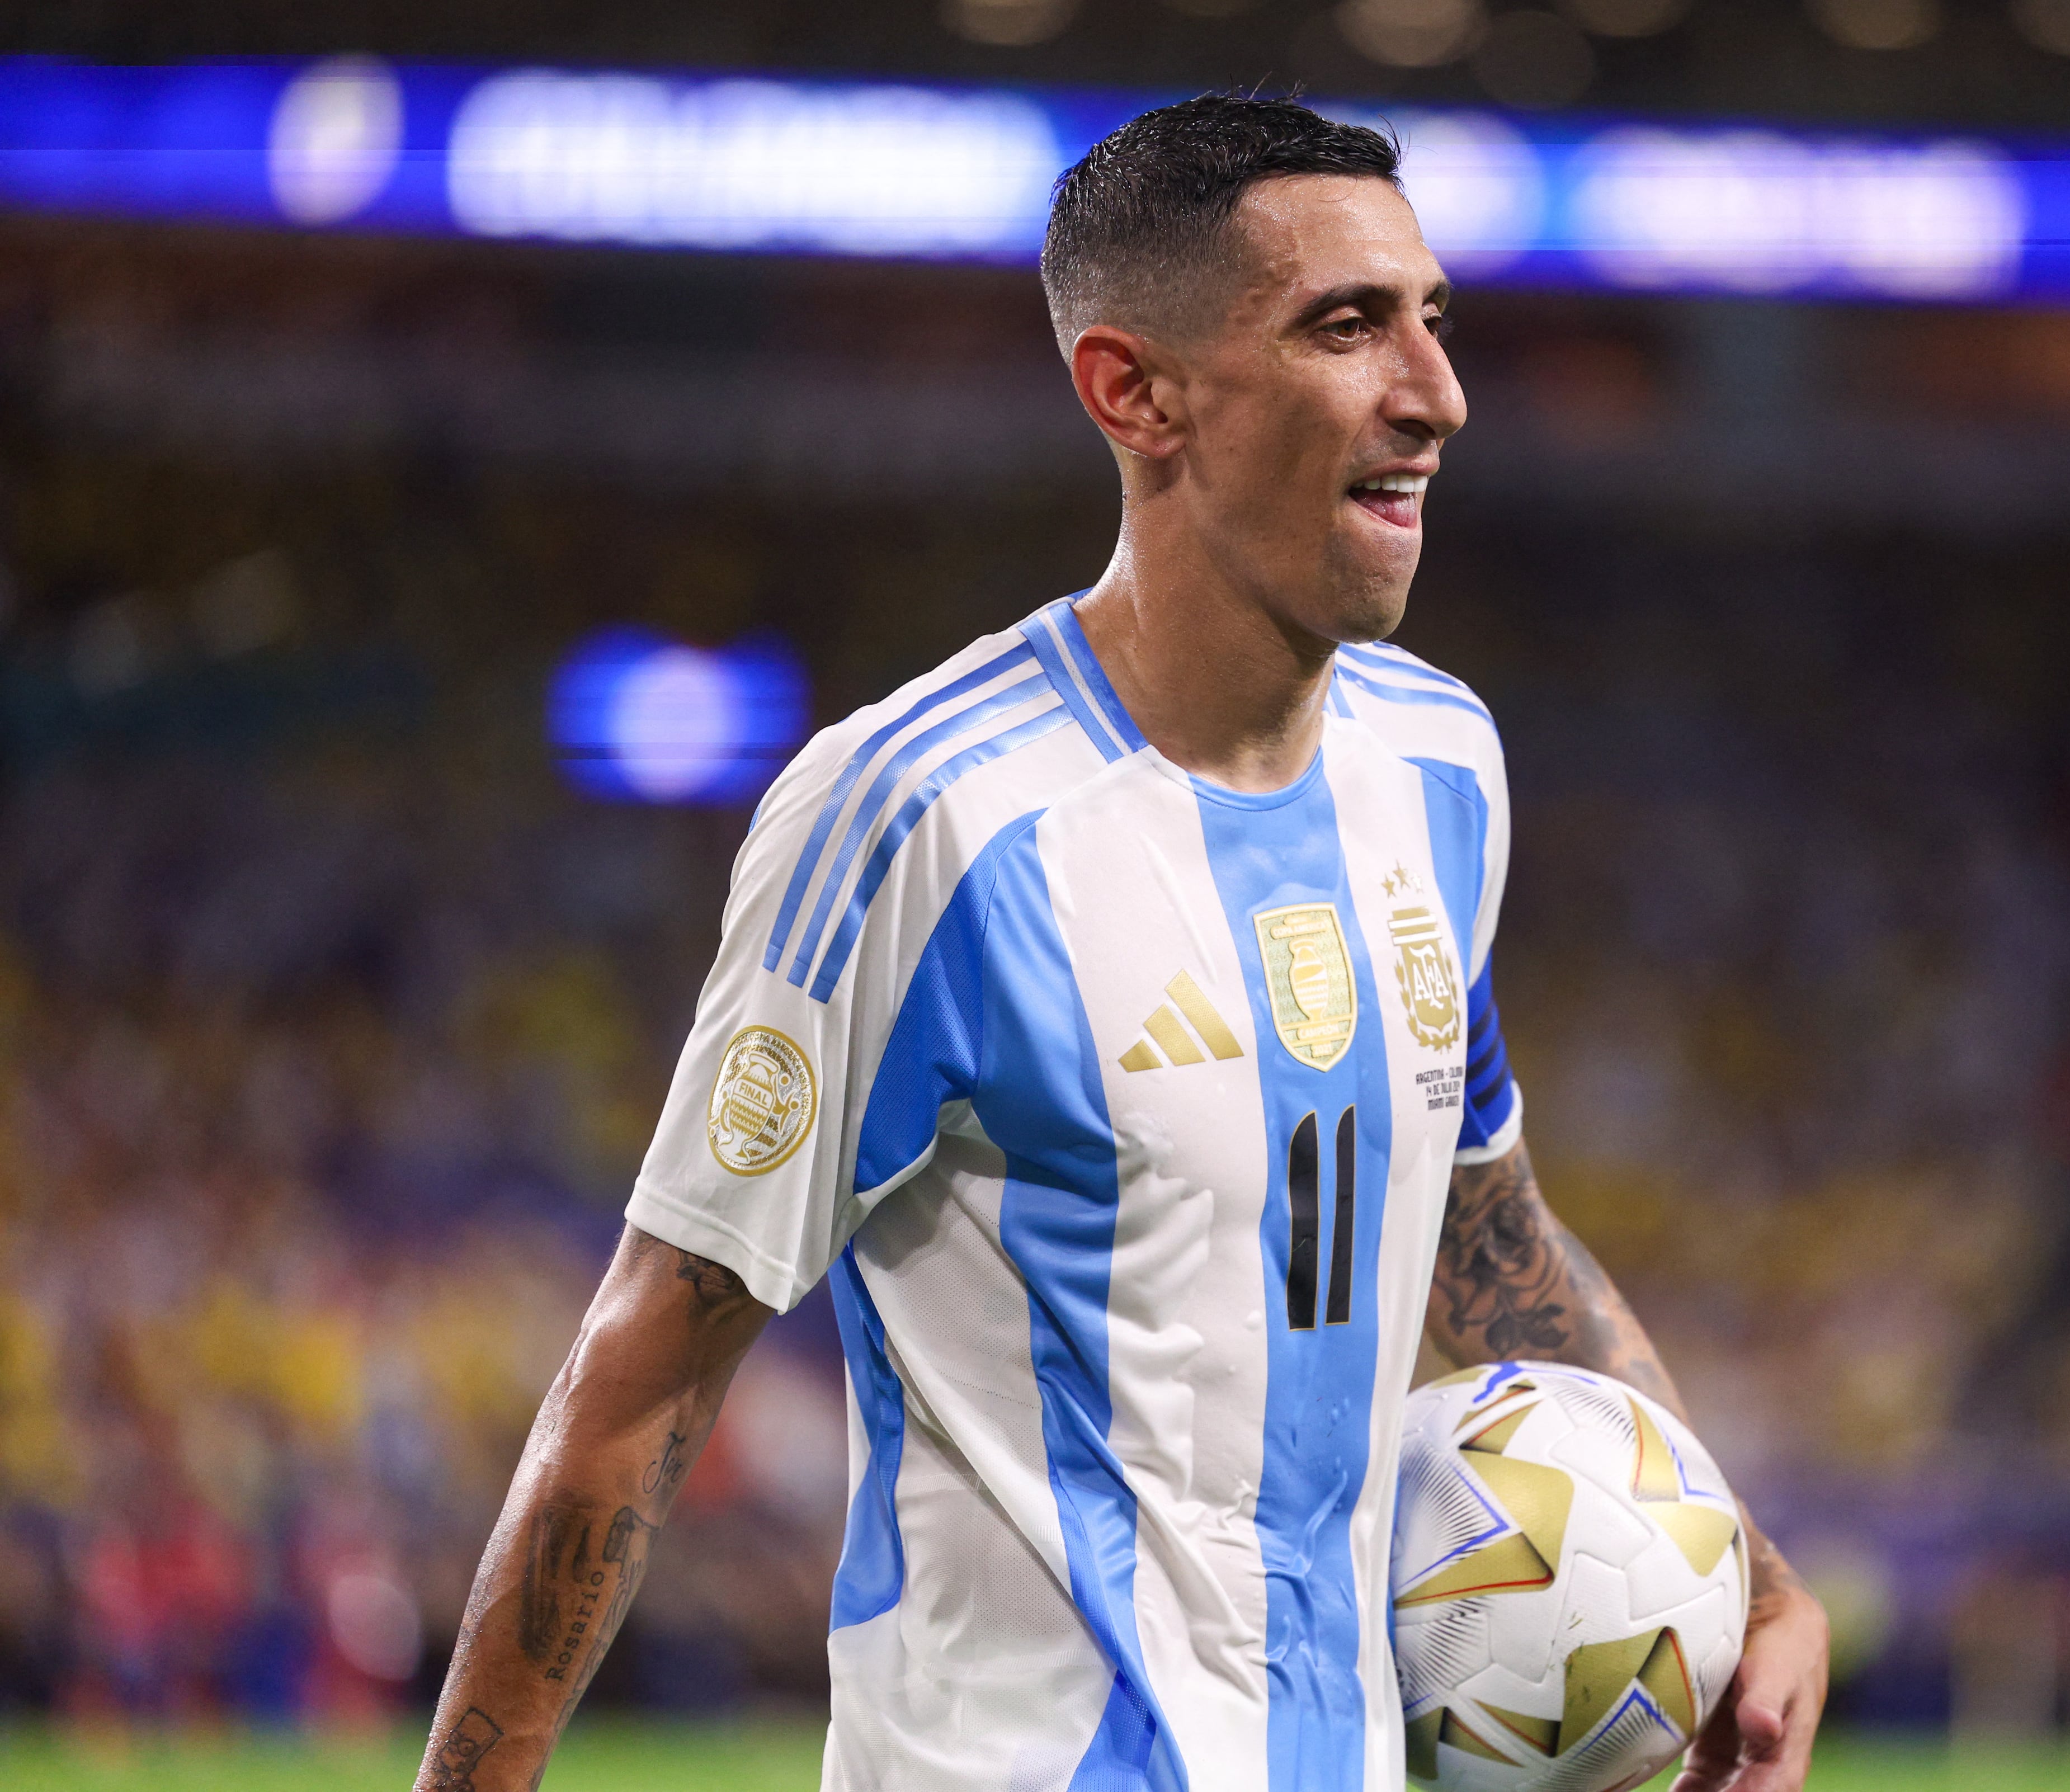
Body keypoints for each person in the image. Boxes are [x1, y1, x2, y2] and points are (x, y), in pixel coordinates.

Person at [413, 93, 1828, 1792]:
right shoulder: (920, 815)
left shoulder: (1444, 768)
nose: (1437, 394)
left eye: (1432, 320)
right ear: (1131, 391)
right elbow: (645, 1370)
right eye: (1345, 326)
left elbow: (1480, 1222)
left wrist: (1746, 1569)